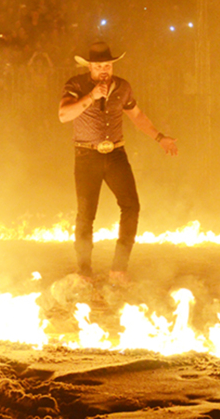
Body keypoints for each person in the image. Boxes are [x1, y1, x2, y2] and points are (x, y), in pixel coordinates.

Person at [59, 41, 177, 281]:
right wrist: (91, 96)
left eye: (108, 65)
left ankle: (118, 269)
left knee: (131, 206)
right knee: (86, 215)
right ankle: (84, 271)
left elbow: (138, 116)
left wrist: (160, 138)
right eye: (99, 65)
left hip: (115, 155)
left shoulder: (123, 87)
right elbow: (63, 115)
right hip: (86, 155)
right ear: (90, 66)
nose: (104, 70)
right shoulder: (76, 84)